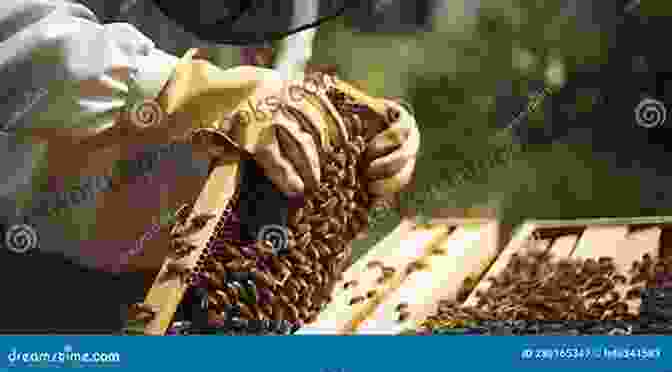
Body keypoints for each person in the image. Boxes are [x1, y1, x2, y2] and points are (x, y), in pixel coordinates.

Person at [0, 0, 420, 333]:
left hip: (188, 285)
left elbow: (267, 79)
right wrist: (184, 92)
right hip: (31, 270)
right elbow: (18, 35)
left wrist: (352, 125)